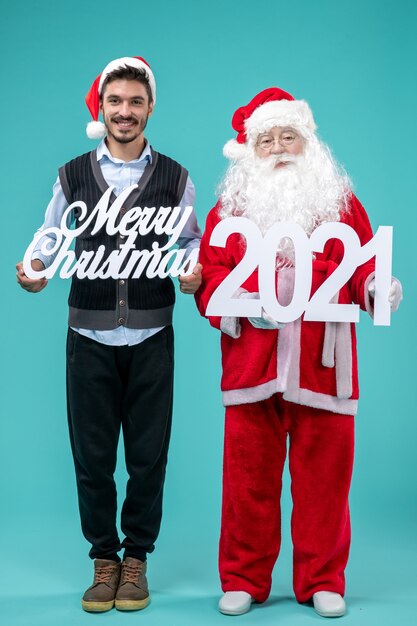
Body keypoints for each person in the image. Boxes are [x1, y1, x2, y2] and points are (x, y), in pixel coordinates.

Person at [195, 88, 402, 618]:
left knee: (325, 485)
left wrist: (377, 288)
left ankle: (322, 579)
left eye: (290, 136)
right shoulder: (228, 212)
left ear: (309, 144)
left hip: (325, 370)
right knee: (246, 484)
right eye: (268, 139)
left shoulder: (339, 203)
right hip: (252, 366)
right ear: (250, 150)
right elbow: (210, 278)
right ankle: (243, 578)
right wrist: (235, 306)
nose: (281, 148)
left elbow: (361, 267)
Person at [16, 56, 202, 613]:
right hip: (88, 339)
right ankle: (104, 559)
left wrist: (192, 272)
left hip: (153, 337)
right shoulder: (72, 175)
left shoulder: (176, 177)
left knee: (149, 455)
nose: (125, 111)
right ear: (101, 107)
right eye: (115, 101)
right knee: (92, 455)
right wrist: (33, 271)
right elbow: (50, 238)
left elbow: (189, 241)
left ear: (151, 108)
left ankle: (136, 560)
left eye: (135, 102)